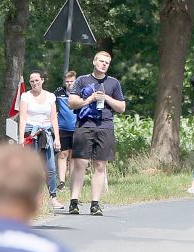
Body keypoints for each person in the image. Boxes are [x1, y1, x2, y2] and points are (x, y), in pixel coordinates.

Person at [67, 51, 126, 216]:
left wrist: (107, 98)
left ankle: (95, 203)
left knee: (100, 165)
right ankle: (74, 201)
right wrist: (89, 99)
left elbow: (121, 107)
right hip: (85, 124)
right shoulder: (82, 80)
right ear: (94, 61)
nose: (103, 64)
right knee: (80, 163)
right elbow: (72, 102)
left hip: (105, 126)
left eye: (106, 62)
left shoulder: (113, 83)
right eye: (101, 61)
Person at [19, 69, 63, 209]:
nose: (34, 83)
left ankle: (53, 197)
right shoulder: (26, 97)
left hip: (46, 132)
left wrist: (57, 138)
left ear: (42, 80)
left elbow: (53, 118)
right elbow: (23, 118)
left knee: (50, 166)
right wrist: (21, 139)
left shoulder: (50, 97)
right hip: (31, 133)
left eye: (37, 80)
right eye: (31, 81)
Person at [54, 71, 77, 190]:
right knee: (63, 154)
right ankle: (62, 181)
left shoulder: (80, 92)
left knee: (73, 156)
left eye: (71, 81)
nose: (69, 84)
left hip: (77, 128)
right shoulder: (58, 92)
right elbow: (51, 105)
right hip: (62, 128)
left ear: (75, 81)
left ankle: (73, 180)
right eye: (67, 81)